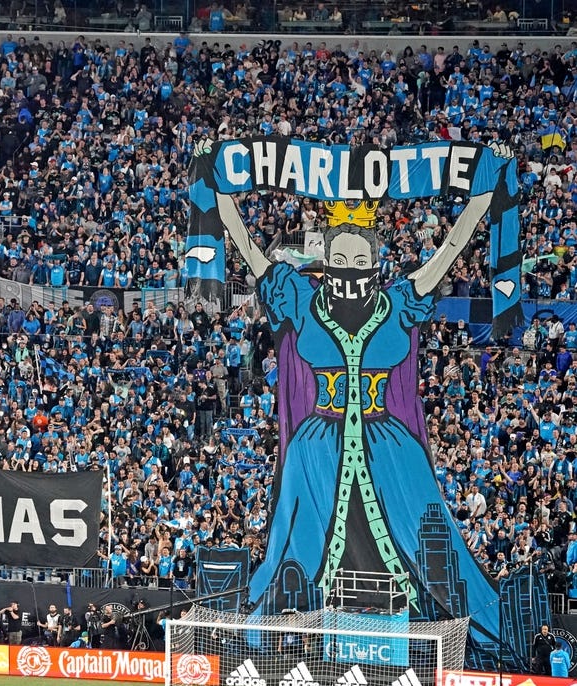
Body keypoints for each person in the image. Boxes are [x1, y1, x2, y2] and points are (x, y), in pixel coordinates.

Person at [212, 145, 511, 646]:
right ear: (325, 260)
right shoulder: (301, 300)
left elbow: (450, 251)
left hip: (389, 446)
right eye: (339, 258)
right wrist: (218, 190)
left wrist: (480, 200)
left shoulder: (397, 305)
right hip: (316, 445)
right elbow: (246, 247)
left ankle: (452, 632)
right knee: (302, 536)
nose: (349, 268)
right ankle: (288, 633)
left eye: (360, 259)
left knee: (419, 532)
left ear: (376, 261)